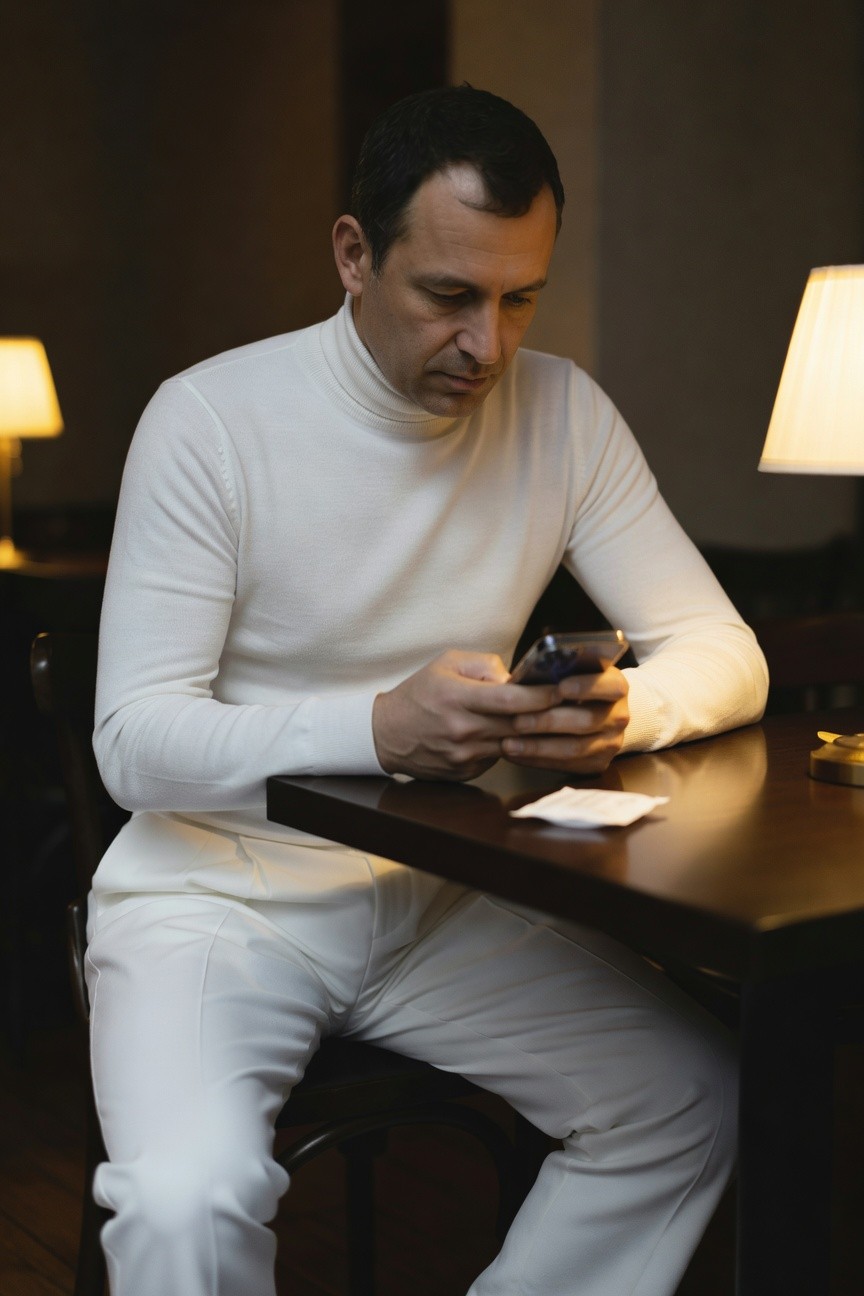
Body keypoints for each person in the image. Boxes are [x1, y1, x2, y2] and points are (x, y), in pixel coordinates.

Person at [87, 85, 767, 1296]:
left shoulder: (564, 413)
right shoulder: (208, 419)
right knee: (186, 1205)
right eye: (449, 296)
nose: (488, 347)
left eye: (521, 299)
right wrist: (379, 728)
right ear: (354, 254)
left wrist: (629, 713)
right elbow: (133, 745)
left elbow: (725, 649)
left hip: (443, 895)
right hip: (215, 896)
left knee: (700, 1096)